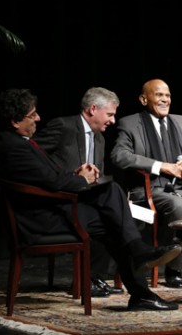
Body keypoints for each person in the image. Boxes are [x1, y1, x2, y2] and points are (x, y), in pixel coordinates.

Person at [0, 88, 182, 311]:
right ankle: (139, 263)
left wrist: (75, 175)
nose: (38, 118)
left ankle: (141, 286)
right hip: (42, 220)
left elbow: (48, 176)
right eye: (32, 114)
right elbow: (51, 183)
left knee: (114, 214)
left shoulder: (20, 143)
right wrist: (81, 180)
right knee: (113, 203)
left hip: (54, 209)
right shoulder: (14, 148)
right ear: (16, 121)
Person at [110, 79, 182, 289]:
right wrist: (163, 166)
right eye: (159, 95)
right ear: (144, 99)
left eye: (168, 95)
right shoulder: (130, 124)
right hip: (151, 189)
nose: (165, 100)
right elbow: (120, 156)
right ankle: (174, 268)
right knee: (177, 204)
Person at [33, 87, 122, 298]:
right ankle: (88, 278)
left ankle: (93, 277)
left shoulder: (100, 138)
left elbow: (95, 176)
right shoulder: (64, 127)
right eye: (110, 114)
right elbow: (33, 156)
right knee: (109, 215)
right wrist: (73, 176)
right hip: (59, 200)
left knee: (123, 213)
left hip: (88, 198)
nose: (113, 121)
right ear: (93, 109)